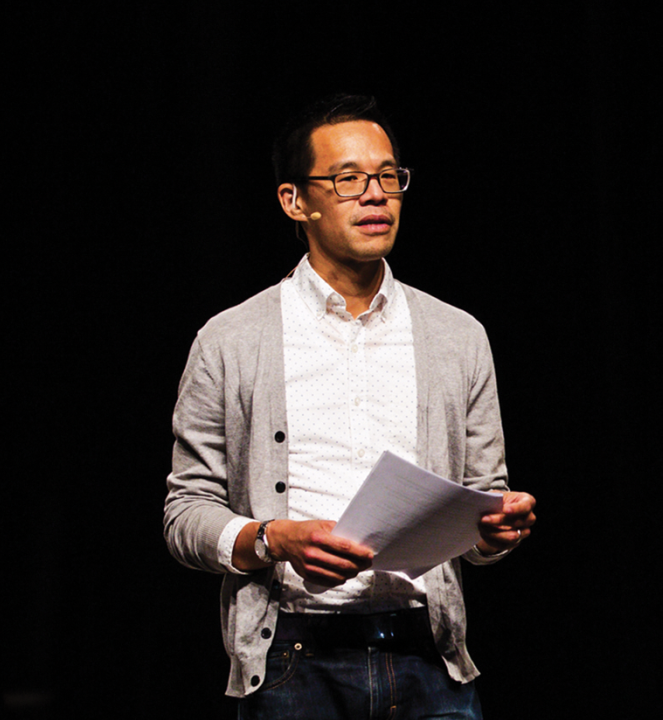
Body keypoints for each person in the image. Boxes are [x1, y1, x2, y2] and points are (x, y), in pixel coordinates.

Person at [162, 95, 536, 718]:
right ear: (294, 201)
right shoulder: (230, 339)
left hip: (430, 661)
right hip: (291, 662)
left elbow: (482, 503)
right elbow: (185, 514)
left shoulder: (457, 334)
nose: (375, 195)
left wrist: (494, 531)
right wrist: (272, 538)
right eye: (347, 179)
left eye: (388, 176)